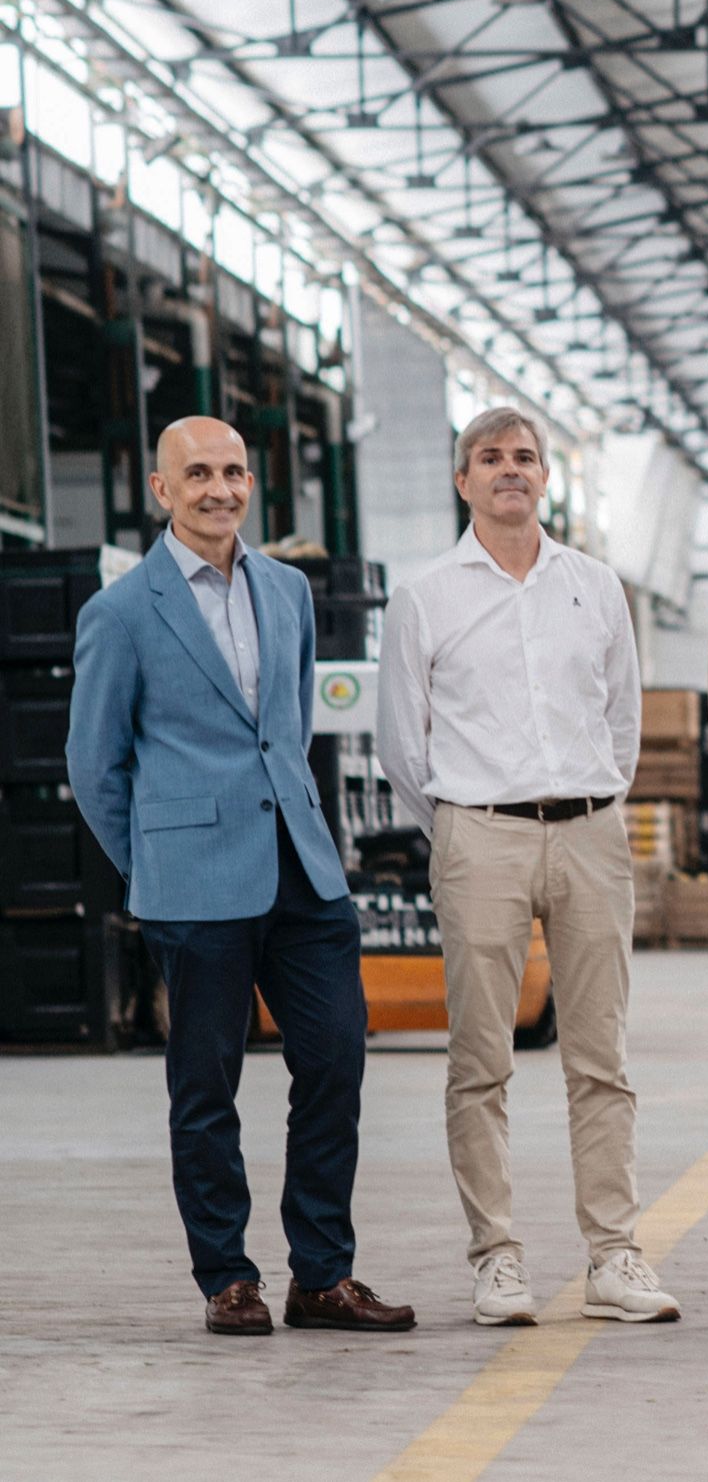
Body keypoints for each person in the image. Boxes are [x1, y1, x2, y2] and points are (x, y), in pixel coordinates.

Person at [66, 417, 414, 1337]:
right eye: (199, 474)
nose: (220, 489)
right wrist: (155, 867)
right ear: (161, 489)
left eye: (233, 472)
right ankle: (227, 1276)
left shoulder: (289, 590)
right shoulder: (122, 612)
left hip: (302, 871)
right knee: (206, 1087)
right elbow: (94, 768)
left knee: (336, 1057)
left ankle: (321, 1275)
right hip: (194, 883)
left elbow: (287, 728)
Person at [376, 407, 678, 1327]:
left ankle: (614, 1256)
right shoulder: (425, 596)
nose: (510, 470)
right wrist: (467, 826)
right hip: (481, 836)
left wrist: (588, 801)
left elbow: (622, 721)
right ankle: (496, 1259)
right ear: (463, 480)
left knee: (601, 1057)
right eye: (490, 458)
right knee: (480, 1060)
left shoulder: (593, 586)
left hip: (589, 830)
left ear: (546, 478)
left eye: (525, 458)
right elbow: (401, 741)